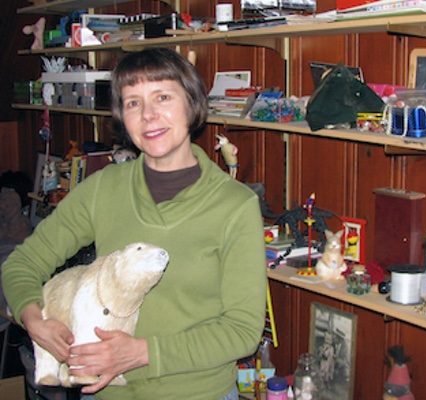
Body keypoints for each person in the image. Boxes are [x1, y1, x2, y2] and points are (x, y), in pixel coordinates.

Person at [1, 47, 267, 400]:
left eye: (162, 97)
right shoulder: (104, 188)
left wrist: (142, 353)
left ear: (191, 104)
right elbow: (23, 263)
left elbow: (242, 330)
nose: (149, 116)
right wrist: (33, 318)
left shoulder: (235, 206)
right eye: (133, 103)